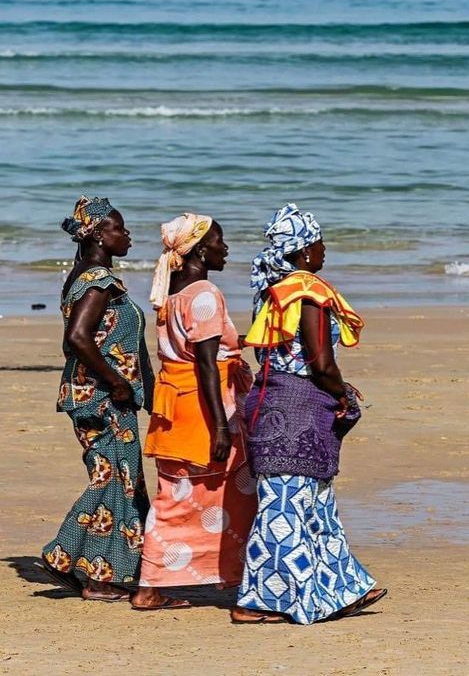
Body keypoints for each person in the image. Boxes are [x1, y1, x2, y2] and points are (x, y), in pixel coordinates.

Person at [232, 203, 387, 625]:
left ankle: (344, 588)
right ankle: (255, 602)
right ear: (303, 252)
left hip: (270, 403)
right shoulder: (309, 292)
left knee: (314, 504)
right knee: (284, 510)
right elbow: (320, 361)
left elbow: (281, 354)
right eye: (319, 243)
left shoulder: (270, 292)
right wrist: (342, 392)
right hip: (298, 408)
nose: (323, 251)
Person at [131, 213, 257, 610]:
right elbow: (205, 362)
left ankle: (177, 578)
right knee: (226, 492)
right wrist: (220, 425)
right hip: (204, 408)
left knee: (178, 494)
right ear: (201, 249)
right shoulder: (204, 293)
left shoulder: (172, 295)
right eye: (219, 240)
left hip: (176, 408)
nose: (225, 247)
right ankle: (153, 584)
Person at [41, 195, 154, 601]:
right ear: (100, 236)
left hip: (92, 394)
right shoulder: (98, 281)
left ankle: (103, 573)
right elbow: (78, 338)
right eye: (120, 229)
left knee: (119, 479)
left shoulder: (82, 276)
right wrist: (118, 383)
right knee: (112, 478)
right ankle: (64, 556)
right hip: (102, 398)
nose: (128, 236)